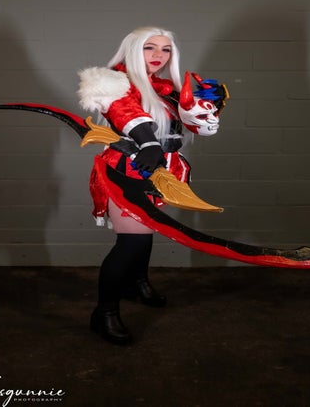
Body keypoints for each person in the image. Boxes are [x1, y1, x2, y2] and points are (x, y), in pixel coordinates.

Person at [77, 26, 226, 345]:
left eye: (166, 49)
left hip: (160, 170)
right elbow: (124, 111)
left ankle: (137, 284)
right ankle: (104, 313)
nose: (159, 55)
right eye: (150, 47)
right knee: (132, 241)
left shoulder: (164, 87)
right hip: (128, 169)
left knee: (146, 233)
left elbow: (192, 127)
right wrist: (148, 142)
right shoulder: (111, 81)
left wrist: (205, 108)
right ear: (133, 49)